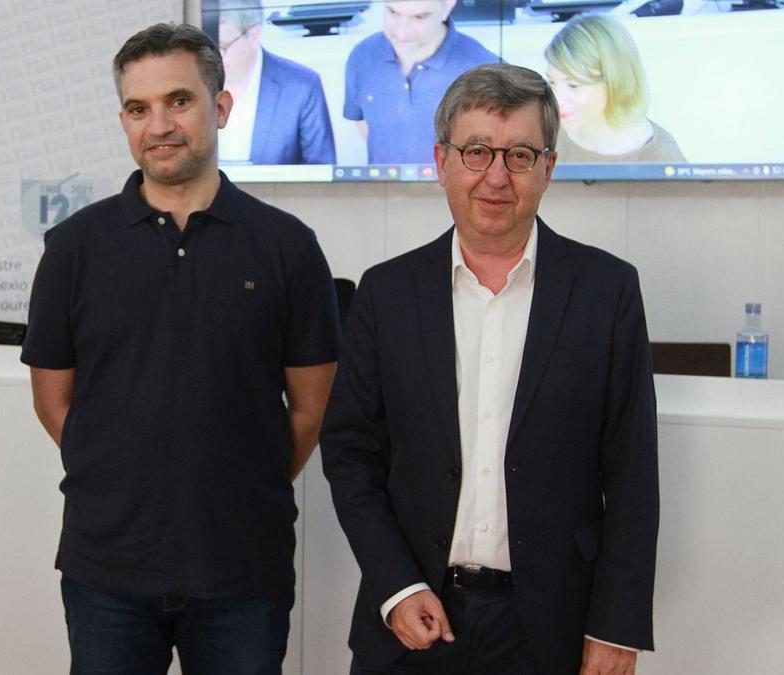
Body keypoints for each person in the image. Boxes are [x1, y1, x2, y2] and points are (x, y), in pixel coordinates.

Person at [22, 22, 341, 674]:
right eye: (139, 109)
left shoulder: (287, 247)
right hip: (107, 567)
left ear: (220, 107)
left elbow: (310, 409)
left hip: (242, 571)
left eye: (179, 101)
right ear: (124, 121)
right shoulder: (74, 249)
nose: (159, 124)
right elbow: (54, 401)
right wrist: (123, 478)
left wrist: (236, 482)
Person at [321, 64, 658, 674]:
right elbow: (349, 454)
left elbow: (632, 474)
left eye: (520, 154)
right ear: (443, 161)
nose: (496, 176)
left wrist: (618, 626)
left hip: (551, 628)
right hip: (413, 618)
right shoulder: (386, 292)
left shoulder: (607, 292)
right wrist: (396, 586)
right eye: (476, 152)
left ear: (549, 167)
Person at [344, 0, 497, 165]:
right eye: (393, 12)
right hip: (385, 189)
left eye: (419, 17)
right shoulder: (362, 56)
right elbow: (362, 121)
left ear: (447, 6)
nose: (402, 32)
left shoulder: (487, 74)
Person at [544, 14, 685, 163]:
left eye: (573, 85)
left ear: (614, 81)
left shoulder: (662, 158)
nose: (556, 99)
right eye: (551, 82)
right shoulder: (545, 138)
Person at [216, 0, 336, 165]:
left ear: (254, 35)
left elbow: (322, 172)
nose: (214, 57)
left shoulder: (302, 87)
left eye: (222, 47)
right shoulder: (195, 83)